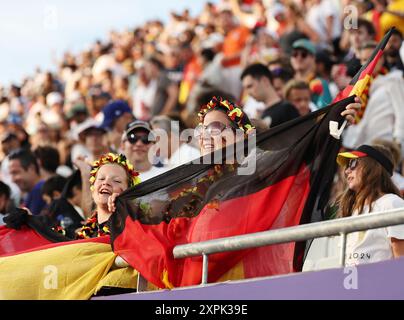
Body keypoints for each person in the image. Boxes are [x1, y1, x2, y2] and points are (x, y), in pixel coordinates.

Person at [336, 144, 404, 266]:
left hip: (380, 283)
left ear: (373, 166)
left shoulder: (392, 203)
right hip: (351, 283)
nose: (347, 171)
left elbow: (401, 264)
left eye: (353, 163)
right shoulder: (353, 210)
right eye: (347, 166)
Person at [75, 153, 140, 239]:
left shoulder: (135, 229)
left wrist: (122, 208)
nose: (106, 183)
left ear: (129, 192)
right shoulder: (82, 235)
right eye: (101, 179)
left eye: (116, 181)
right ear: (93, 191)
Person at [241, 63, 300, 128]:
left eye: (250, 86)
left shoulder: (287, 109)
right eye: (246, 88)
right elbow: (252, 138)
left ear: (265, 80)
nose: (248, 93)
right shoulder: (259, 115)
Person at [8, 148, 47, 215]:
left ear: (31, 169)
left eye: (16, 172)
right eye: (11, 174)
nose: (13, 179)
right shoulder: (33, 192)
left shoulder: (39, 191)